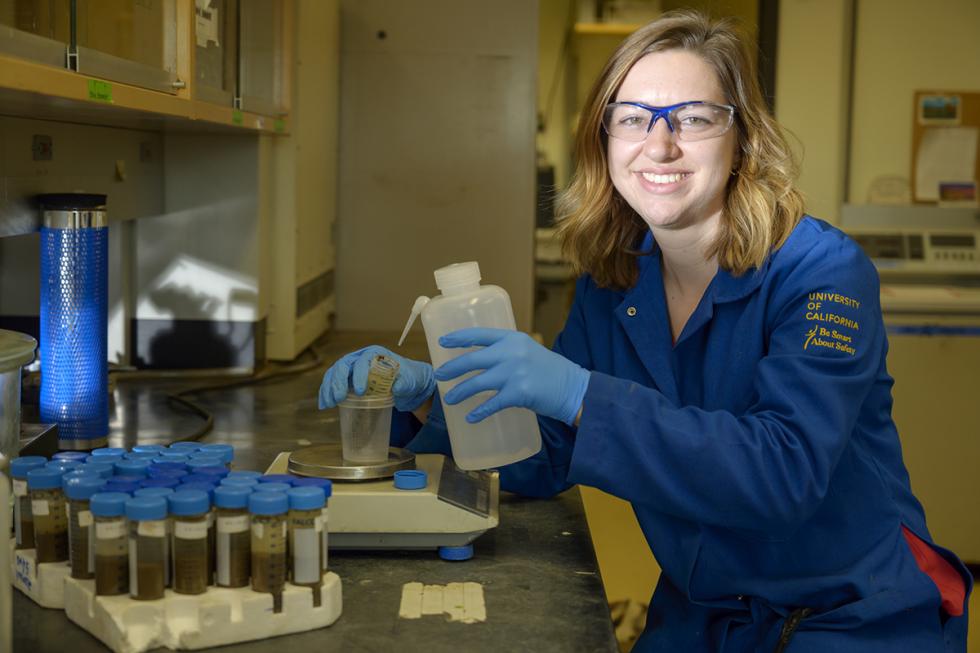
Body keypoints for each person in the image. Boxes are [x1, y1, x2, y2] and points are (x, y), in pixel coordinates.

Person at [319, 10, 971, 652]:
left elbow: (783, 473)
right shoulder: (613, 279)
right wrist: (439, 396)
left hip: (850, 613)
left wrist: (579, 392)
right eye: (633, 118)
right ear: (604, 139)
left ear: (742, 136)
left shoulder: (821, 272)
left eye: (692, 118)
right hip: (703, 612)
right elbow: (549, 451)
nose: (660, 146)